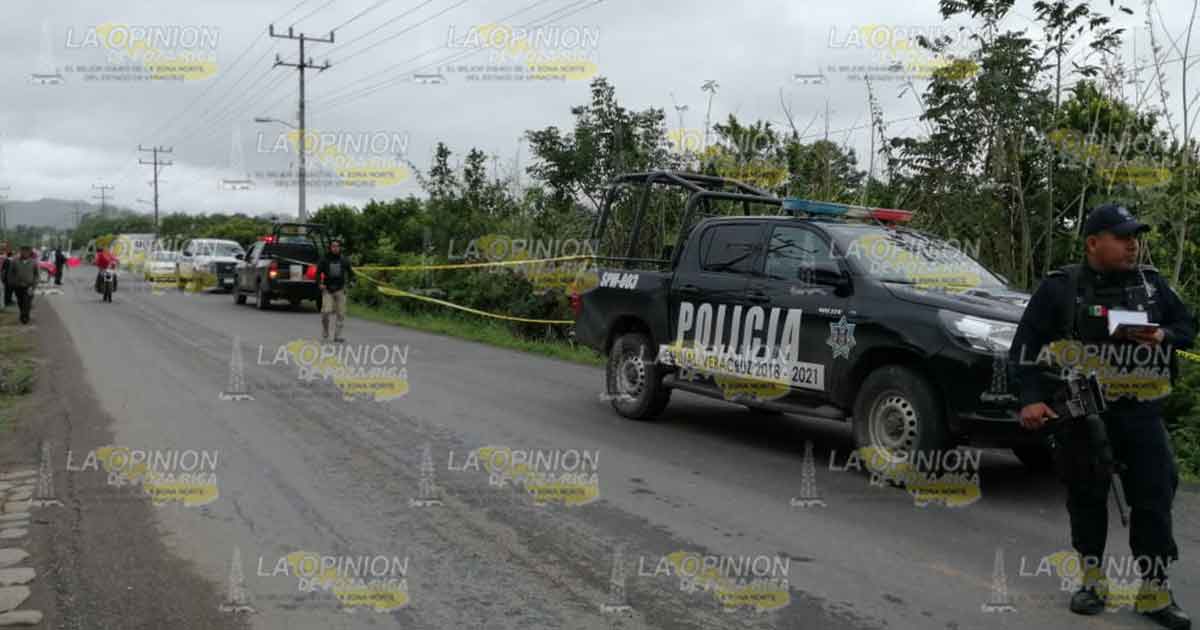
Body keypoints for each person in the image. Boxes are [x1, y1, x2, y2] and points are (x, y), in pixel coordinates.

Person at [1010, 204, 1196, 629]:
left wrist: (1164, 335)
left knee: (1154, 497)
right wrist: (1031, 399)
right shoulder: (1061, 288)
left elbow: (1186, 326)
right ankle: (1092, 582)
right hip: (1084, 413)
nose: (1133, 244)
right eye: (1122, 236)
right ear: (1093, 243)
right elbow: (1024, 349)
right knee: (1088, 497)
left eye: (1135, 237)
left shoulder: (1152, 285)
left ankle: (1154, 591)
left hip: (1142, 413)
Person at [317, 240, 354, 343]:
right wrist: (320, 283)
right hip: (328, 290)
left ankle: (337, 336)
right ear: (330, 248)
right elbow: (318, 273)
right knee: (326, 312)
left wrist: (350, 285)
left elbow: (352, 274)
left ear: (340, 248)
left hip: (340, 290)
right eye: (333, 246)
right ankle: (325, 329)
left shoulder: (344, 260)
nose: (335, 248)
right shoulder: (324, 260)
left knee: (341, 314)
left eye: (337, 246)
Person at [3, 246, 39, 324]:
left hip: (29, 286)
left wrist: (34, 285)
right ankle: (23, 313)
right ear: (21, 252)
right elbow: (10, 273)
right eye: (23, 251)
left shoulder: (34, 262)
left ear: (29, 253)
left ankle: (25, 317)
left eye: (27, 252)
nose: (25, 253)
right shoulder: (14, 261)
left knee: (27, 302)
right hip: (18, 286)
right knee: (20, 301)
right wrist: (11, 283)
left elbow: (36, 274)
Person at [0, 243, 12, 310]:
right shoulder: (5, 258)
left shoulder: (5, 258)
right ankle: (2, 306)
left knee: (2, 291)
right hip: (3, 277)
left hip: (3, 277)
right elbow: (4, 270)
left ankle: (2, 306)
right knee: (2, 291)